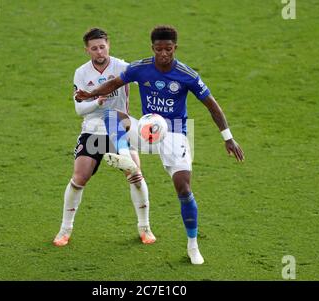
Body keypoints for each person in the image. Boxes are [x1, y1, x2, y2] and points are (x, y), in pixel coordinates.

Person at [75, 25, 245, 265]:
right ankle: (126, 158)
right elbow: (113, 84)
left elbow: (212, 105)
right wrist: (90, 94)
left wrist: (228, 137)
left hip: (175, 133)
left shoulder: (187, 75)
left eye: (168, 49)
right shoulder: (140, 68)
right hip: (146, 129)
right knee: (112, 116)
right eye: (158, 49)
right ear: (152, 48)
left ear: (175, 47)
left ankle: (193, 245)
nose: (163, 54)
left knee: (184, 189)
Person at [53, 28, 156, 247]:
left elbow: (147, 80)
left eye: (102, 46)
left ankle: (144, 228)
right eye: (94, 48)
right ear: (87, 50)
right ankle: (65, 230)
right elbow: (80, 110)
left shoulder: (122, 67)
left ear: (108, 45)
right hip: (92, 129)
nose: (99, 52)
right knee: (79, 178)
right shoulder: (81, 73)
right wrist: (97, 102)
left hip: (118, 125)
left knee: (135, 175)